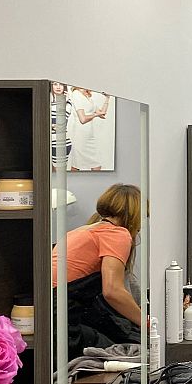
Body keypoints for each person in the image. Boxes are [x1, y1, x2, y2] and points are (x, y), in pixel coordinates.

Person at [51, 184, 142, 357]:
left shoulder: (82, 231)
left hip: (52, 314)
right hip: (64, 323)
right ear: (134, 215)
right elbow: (112, 291)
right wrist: (147, 324)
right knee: (128, 351)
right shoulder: (117, 234)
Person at [68, 87, 110, 171]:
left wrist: (107, 98)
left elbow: (102, 114)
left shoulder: (88, 96)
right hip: (81, 136)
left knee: (95, 165)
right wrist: (95, 115)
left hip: (89, 136)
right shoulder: (76, 94)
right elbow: (82, 119)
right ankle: (71, 183)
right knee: (77, 165)